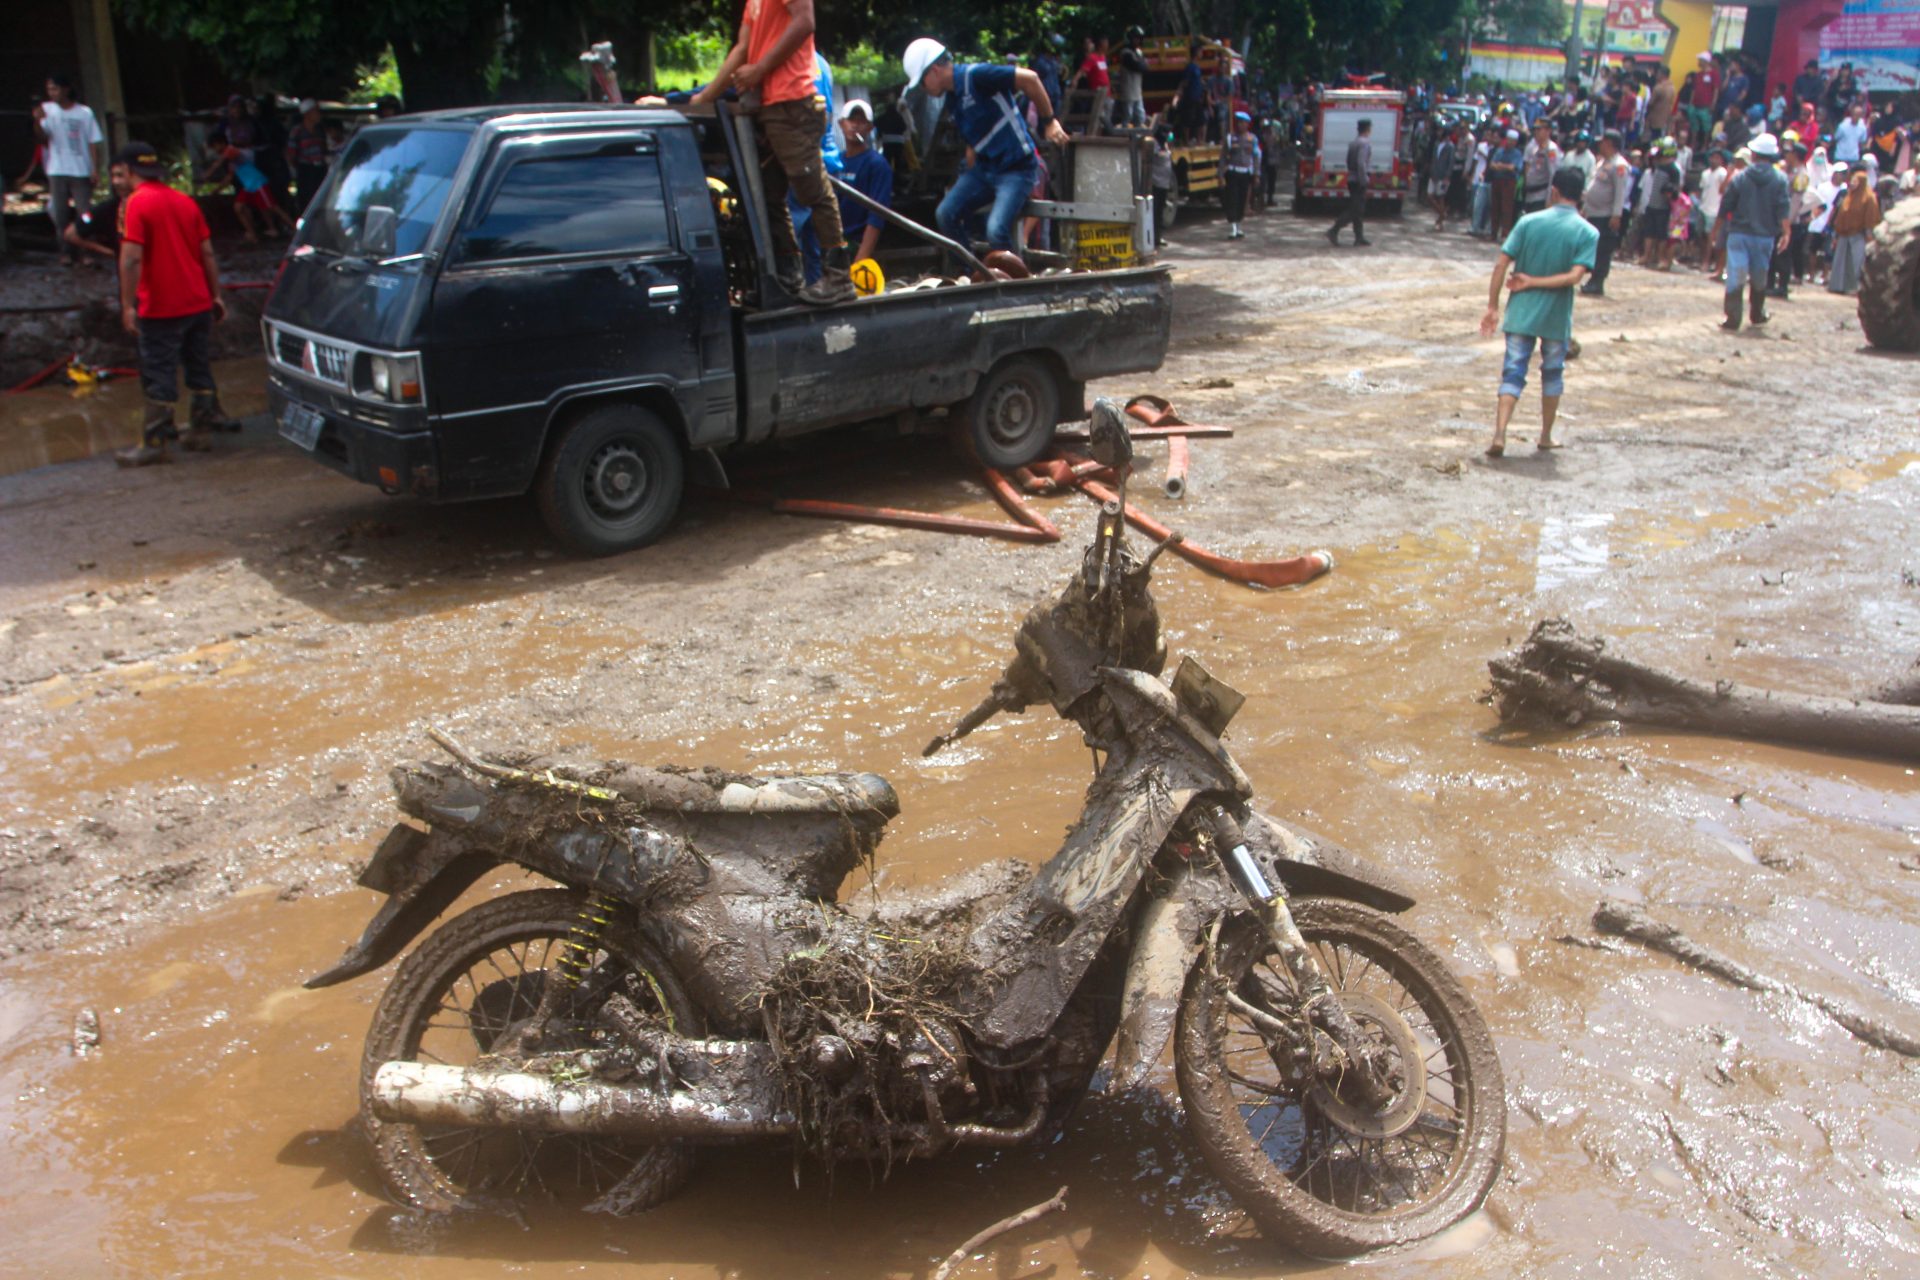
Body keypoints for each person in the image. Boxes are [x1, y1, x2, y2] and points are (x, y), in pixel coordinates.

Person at [694, 0, 853, 304]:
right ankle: (788, 274)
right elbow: (742, 49)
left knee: (812, 190)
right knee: (768, 193)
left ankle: (838, 277)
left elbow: (805, 22)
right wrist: (702, 98)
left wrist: (759, 69)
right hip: (771, 108)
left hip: (794, 102)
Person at [111, 142, 233, 467]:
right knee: (198, 365)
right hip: (197, 301)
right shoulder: (184, 201)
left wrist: (126, 304)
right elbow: (207, 252)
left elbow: (131, 259)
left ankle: (155, 442)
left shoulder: (138, 204)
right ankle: (201, 432)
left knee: (159, 371)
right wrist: (215, 294)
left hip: (161, 306)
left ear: (133, 171)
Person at [903, 39, 1068, 261]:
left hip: (1016, 168)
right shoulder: (952, 98)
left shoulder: (978, 75)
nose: (923, 89)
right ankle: (971, 274)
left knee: (995, 230)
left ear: (933, 71)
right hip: (986, 170)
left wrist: (1049, 121)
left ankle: (1012, 283)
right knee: (945, 214)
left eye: (922, 83)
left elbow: (1030, 79)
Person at [1480, 165, 1598, 457]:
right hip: (1556, 317)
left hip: (1521, 312)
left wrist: (1493, 306)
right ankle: (1545, 435)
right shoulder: (1588, 232)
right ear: (1580, 195)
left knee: (1513, 372)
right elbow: (1573, 278)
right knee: (1553, 373)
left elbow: (1500, 265)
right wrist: (1537, 282)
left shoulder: (1528, 222)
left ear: (1553, 191)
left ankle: (1500, 432)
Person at [1717, 132, 1790, 330]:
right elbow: (1783, 208)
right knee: (1760, 276)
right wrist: (1786, 233)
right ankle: (1757, 314)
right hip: (1765, 237)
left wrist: (1716, 230)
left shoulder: (1740, 178)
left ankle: (1732, 318)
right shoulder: (1780, 180)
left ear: (1754, 154)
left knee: (1735, 275)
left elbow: (1726, 205)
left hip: (1739, 234)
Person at [38, 72, 105, 268]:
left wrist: (95, 168)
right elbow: (42, 139)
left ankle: (86, 250)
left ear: (66, 89)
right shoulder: (47, 110)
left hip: (80, 169)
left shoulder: (84, 113)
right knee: (60, 213)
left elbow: (93, 142)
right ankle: (65, 251)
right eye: (49, 89)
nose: (52, 93)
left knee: (84, 211)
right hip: (57, 168)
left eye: (55, 88)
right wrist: (36, 121)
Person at [832, 99, 892, 264]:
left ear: (870, 128)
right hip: (832, 244)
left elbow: (877, 216)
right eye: (851, 120)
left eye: (861, 121)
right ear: (841, 123)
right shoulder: (834, 162)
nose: (855, 125)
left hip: (856, 246)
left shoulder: (877, 165)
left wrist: (860, 263)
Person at [1578, 130, 1628, 296]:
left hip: (1606, 214)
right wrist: (1585, 208)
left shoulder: (1619, 165)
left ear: (1610, 144)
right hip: (1593, 212)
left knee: (1603, 249)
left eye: (1603, 142)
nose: (1600, 145)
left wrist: (1616, 215)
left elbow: (1620, 192)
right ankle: (1592, 278)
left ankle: (1597, 281)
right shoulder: (1601, 162)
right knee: (1592, 247)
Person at [62, 157, 129, 265]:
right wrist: (110, 252)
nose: (116, 181)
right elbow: (70, 233)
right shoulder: (105, 209)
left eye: (121, 176)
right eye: (114, 176)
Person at [1826, 165, 1882, 294]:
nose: (1852, 183)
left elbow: (1871, 218)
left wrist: (1869, 235)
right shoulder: (1848, 197)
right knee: (1840, 261)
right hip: (1844, 234)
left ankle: (1852, 287)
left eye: (1856, 181)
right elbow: (1840, 214)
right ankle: (1837, 285)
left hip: (1859, 235)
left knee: (1855, 262)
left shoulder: (1869, 198)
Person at [1326, 117, 1373, 246]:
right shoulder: (1364, 143)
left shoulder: (1353, 143)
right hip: (1358, 180)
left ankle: (1359, 236)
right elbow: (1361, 163)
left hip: (1352, 178)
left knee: (1358, 208)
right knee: (1356, 209)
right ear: (1368, 129)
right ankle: (1334, 230)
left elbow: (1348, 161)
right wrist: (1364, 179)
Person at [286, 98, 330, 214]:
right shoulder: (297, 131)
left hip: (320, 168)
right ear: (308, 113)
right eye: (316, 111)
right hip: (305, 169)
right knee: (306, 198)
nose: (319, 114)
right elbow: (291, 154)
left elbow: (324, 149)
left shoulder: (320, 130)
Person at [1222, 110, 1259, 239]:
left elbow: (1256, 157)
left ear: (1247, 124)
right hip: (1233, 172)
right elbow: (1223, 157)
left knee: (1242, 199)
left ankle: (1238, 225)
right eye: (1239, 122)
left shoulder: (1252, 138)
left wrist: (1256, 174)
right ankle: (1232, 227)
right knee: (1233, 199)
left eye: (1243, 122)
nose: (1240, 125)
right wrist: (1220, 174)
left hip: (1245, 173)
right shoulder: (1230, 138)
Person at [1521, 117, 1561, 214]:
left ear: (1548, 131)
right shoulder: (1533, 147)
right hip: (1530, 195)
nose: (1536, 132)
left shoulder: (1551, 150)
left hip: (1541, 196)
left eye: (1539, 129)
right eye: (1535, 129)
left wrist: (1550, 200)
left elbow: (1554, 175)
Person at [1488, 127, 1522, 239]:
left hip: (1509, 182)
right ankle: (1493, 232)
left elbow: (1513, 168)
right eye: (1508, 139)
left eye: (1512, 140)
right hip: (1497, 180)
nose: (1509, 142)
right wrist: (1504, 166)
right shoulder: (1500, 151)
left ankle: (1505, 233)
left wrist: (1500, 166)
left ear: (1515, 142)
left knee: (1506, 208)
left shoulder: (1517, 154)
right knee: (1495, 206)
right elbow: (1492, 164)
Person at [1073, 37, 1110, 135]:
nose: (1107, 46)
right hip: (1098, 91)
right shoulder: (1092, 58)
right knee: (1098, 116)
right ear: (1100, 45)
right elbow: (1082, 71)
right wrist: (1075, 80)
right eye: (1105, 43)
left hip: (1107, 92)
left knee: (1106, 116)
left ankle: (1103, 135)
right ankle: (1094, 135)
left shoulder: (1103, 57)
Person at [1114, 29, 1149, 129]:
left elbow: (1145, 68)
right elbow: (1138, 66)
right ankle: (1125, 137)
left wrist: (1142, 62)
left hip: (1137, 89)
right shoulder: (1126, 53)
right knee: (1127, 115)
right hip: (1128, 89)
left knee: (1140, 116)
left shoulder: (1138, 52)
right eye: (1136, 38)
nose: (1138, 41)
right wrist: (1142, 63)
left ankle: (1137, 137)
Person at [1688, 52, 1719, 149]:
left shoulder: (1714, 74)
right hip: (1695, 105)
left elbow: (1716, 89)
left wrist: (1713, 103)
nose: (1698, 62)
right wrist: (1691, 102)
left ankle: (1704, 145)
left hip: (1706, 106)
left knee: (1706, 127)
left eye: (1700, 61)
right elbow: (1694, 89)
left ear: (1705, 62)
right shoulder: (1698, 74)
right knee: (1694, 126)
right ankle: (1693, 143)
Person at [1428, 123, 1456, 231]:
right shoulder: (1436, 144)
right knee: (1430, 196)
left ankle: (1440, 220)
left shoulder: (1450, 146)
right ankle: (1442, 213)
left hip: (1443, 175)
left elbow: (1450, 162)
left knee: (1441, 197)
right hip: (1434, 173)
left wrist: (1447, 176)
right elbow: (1434, 159)